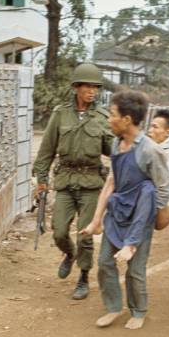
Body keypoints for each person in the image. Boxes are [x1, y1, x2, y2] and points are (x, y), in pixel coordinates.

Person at [81, 91, 169, 330]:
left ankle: (138, 310)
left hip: (140, 217)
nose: (108, 119)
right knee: (105, 263)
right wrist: (96, 220)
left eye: (112, 115)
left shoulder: (150, 151)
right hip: (117, 212)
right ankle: (113, 307)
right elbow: (111, 181)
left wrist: (154, 220)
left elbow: (162, 190)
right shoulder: (115, 143)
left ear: (127, 119)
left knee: (135, 270)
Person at [32, 63, 113, 300]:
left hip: (91, 182)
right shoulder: (60, 114)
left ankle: (83, 277)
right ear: (76, 87)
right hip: (65, 180)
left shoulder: (102, 118)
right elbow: (46, 150)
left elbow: (113, 151)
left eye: (96, 87)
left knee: (85, 234)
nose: (92, 91)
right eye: (88, 86)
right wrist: (41, 180)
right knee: (58, 231)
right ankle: (69, 253)